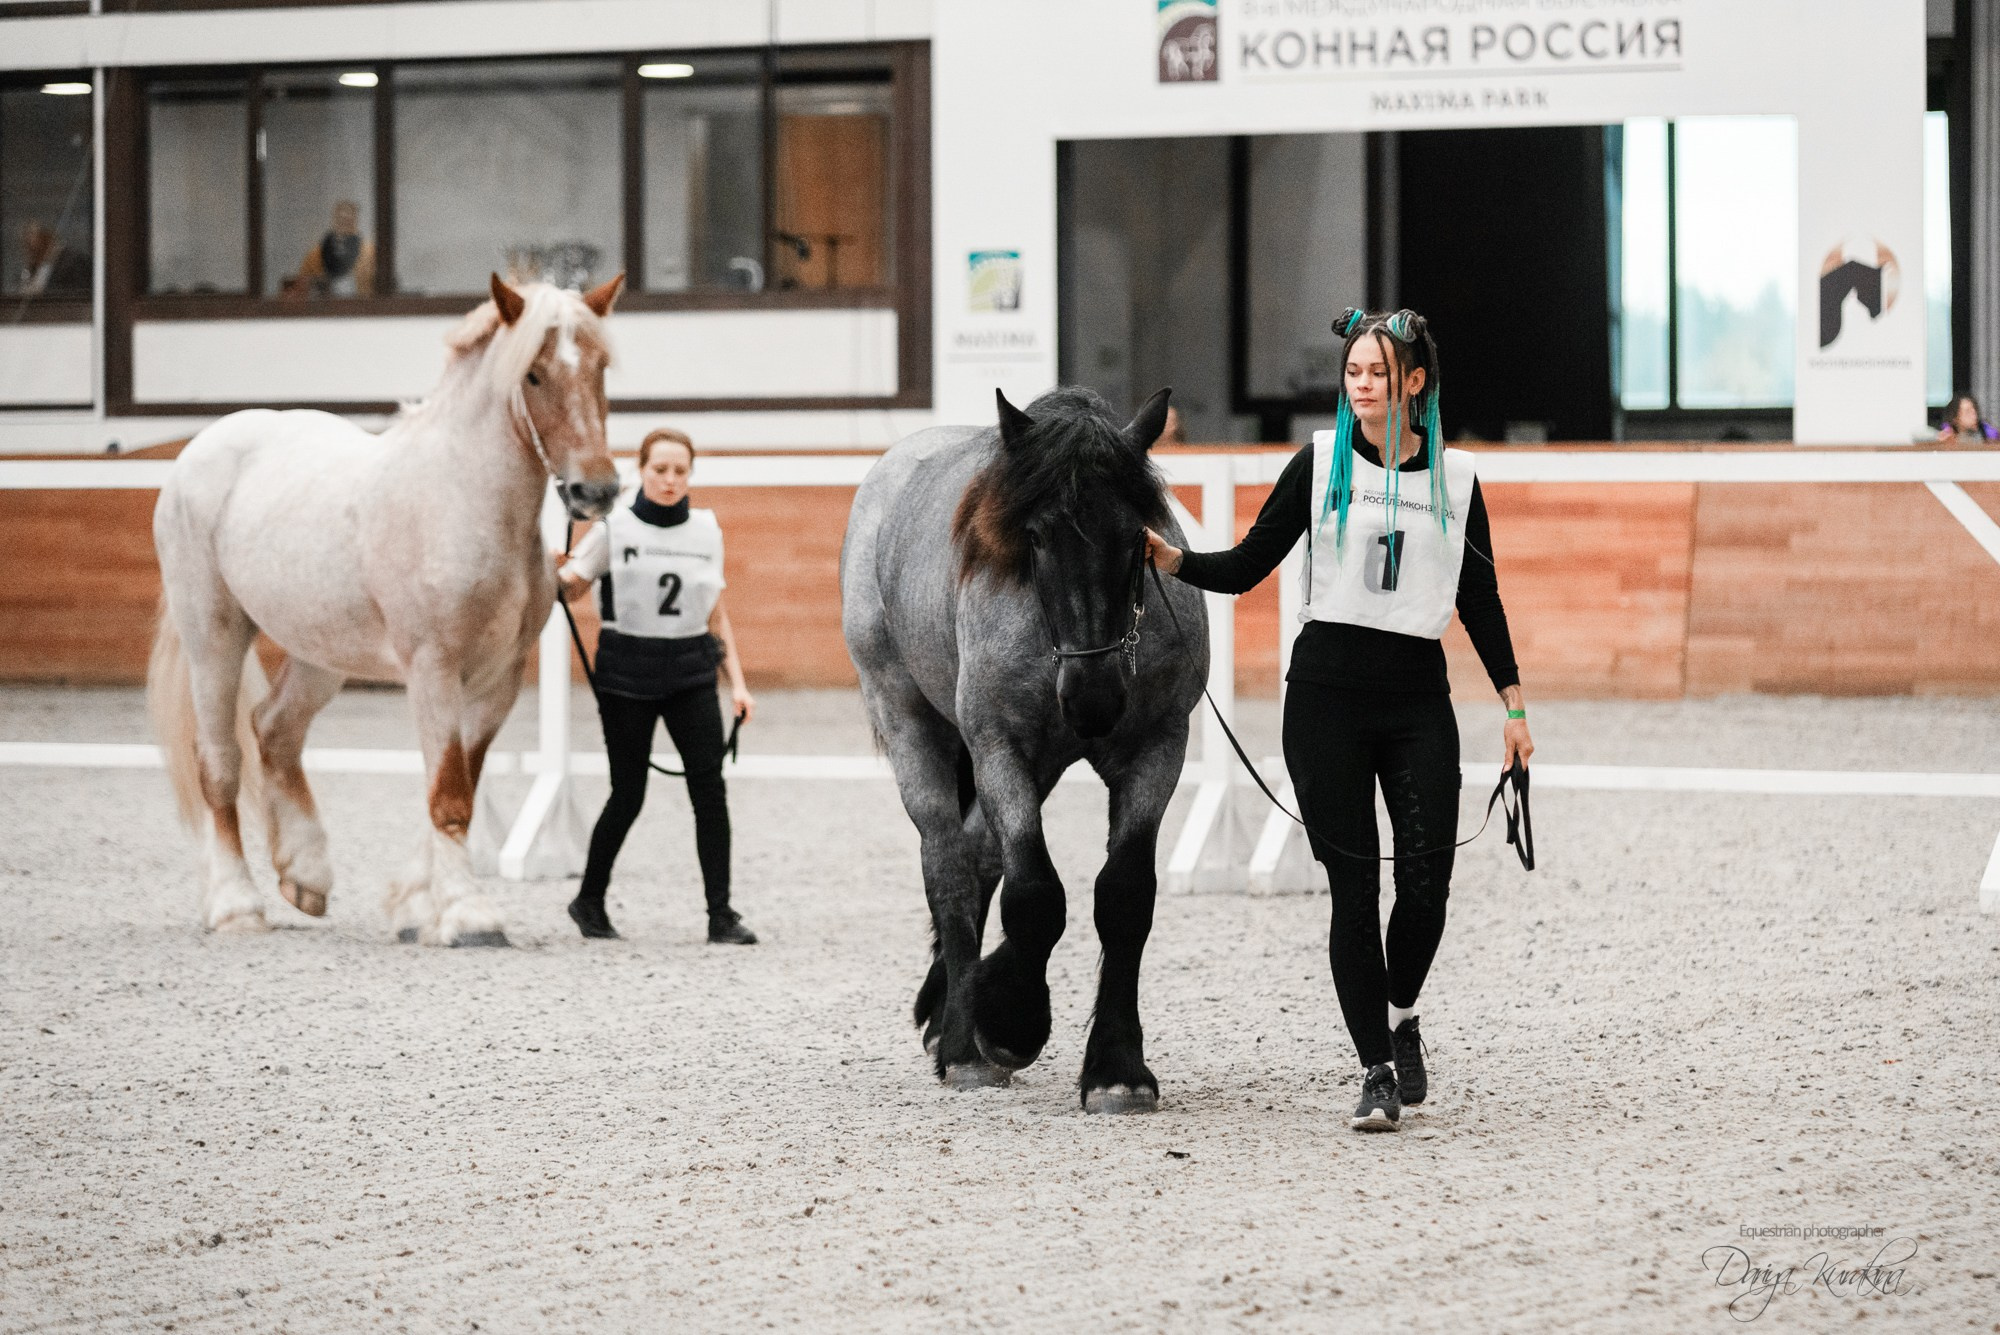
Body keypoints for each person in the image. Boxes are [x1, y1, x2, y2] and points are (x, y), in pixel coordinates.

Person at [1144, 306, 1533, 1133]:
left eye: (1377, 374)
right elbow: (1251, 563)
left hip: (1418, 697)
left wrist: (1513, 703)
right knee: (1354, 892)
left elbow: (1481, 597)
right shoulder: (1318, 463)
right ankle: (1377, 1068)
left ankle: (1401, 1008)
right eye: (1353, 372)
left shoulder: (1457, 480)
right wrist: (1175, 562)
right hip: (1325, 697)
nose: (1361, 386)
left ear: (1413, 383)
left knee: (1427, 881)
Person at [556, 427, 758, 944]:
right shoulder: (613, 529)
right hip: (627, 673)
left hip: (690, 668)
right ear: (640, 471)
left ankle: (721, 915)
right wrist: (555, 567)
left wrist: (737, 682)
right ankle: (589, 900)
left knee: (709, 792)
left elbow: (715, 610)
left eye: (679, 471)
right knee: (628, 792)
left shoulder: (706, 531)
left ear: (690, 474)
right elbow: (572, 586)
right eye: (659, 470)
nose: (670, 480)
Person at [285, 200, 375, 299]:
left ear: (355, 220)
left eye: (348, 220)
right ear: (334, 220)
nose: (344, 224)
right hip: (324, 310)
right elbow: (302, 285)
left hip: (360, 309)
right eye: (340, 219)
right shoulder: (315, 255)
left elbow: (377, 287)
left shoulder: (370, 253)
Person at [17, 221, 90, 297]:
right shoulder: (32, 269)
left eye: (33, 248)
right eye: (26, 247)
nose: (29, 252)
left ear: (47, 238)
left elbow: (79, 295)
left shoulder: (74, 261)